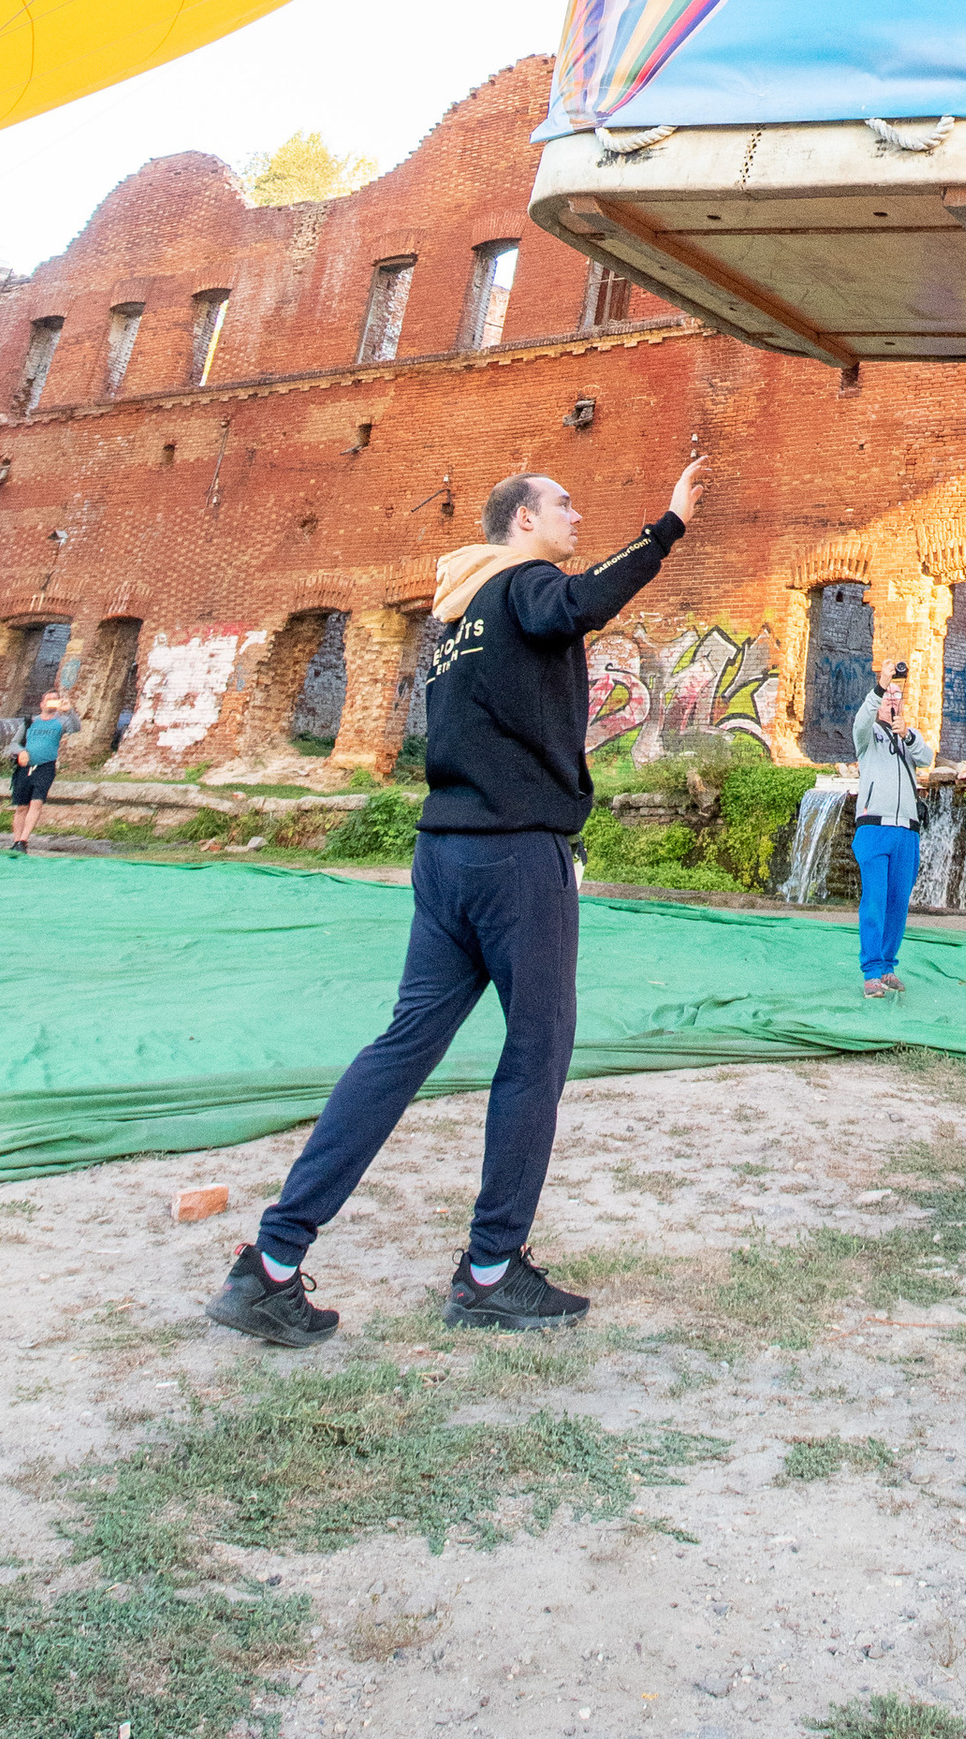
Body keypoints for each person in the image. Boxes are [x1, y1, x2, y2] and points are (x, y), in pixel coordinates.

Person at [207, 453, 706, 1348]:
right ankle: (490, 1271)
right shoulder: (523, 589)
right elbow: (582, 600)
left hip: (445, 856)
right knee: (536, 1053)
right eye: (564, 504)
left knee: (401, 1048)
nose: (575, 516)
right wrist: (666, 526)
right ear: (522, 522)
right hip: (517, 857)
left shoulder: (458, 618)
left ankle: (270, 1263)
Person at [849, 661, 930, 996]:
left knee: (898, 901)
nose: (892, 701)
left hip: (906, 831)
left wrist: (907, 735)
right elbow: (861, 721)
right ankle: (870, 971)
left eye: (897, 697)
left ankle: (887, 966)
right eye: (887, 697)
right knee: (875, 899)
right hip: (874, 827)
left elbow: (926, 757)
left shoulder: (907, 737)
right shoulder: (868, 736)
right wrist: (881, 686)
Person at [7, 684, 75, 856]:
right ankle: (16, 840)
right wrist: (20, 752)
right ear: (42, 703)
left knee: (36, 802)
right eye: (48, 700)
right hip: (25, 767)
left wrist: (69, 711)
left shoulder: (61, 721)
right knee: (21, 807)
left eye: (55, 700)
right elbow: (14, 744)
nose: (51, 703)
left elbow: (76, 728)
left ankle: (24, 840)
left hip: (45, 767)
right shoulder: (31, 721)